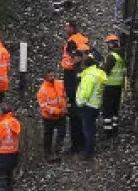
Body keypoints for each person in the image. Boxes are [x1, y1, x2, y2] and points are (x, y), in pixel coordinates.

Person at [61, 20, 89, 153]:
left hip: (70, 73)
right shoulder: (81, 39)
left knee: (74, 115)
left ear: (72, 28)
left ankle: (77, 144)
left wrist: (69, 94)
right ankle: (81, 142)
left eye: (67, 27)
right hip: (75, 74)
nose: (65, 29)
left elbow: (73, 57)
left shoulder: (72, 41)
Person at [74, 52, 106, 160]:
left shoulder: (89, 77)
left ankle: (88, 152)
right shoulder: (98, 73)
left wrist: (79, 103)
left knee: (88, 130)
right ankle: (90, 148)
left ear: (85, 65)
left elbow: (85, 93)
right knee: (91, 128)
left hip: (88, 106)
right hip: (95, 105)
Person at [37, 71, 67, 161]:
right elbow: (44, 106)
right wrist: (58, 111)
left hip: (61, 115)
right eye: (50, 75)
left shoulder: (60, 83)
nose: (52, 77)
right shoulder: (42, 91)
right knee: (48, 136)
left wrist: (65, 107)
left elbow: (65, 96)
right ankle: (48, 154)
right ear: (45, 77)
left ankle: (57, 151)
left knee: (62, 133)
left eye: (53, 75)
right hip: (49, 117)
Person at [101, 34, 126, 138]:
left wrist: (101, 67)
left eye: (108, 43)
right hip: (118, 86)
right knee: (115, 108)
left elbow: (105, 72)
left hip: (110, 86)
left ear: (110, 44)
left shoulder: (111, 56)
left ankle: (108, 131)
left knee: (107, 109)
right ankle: (115, 128)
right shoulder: (121, 55)